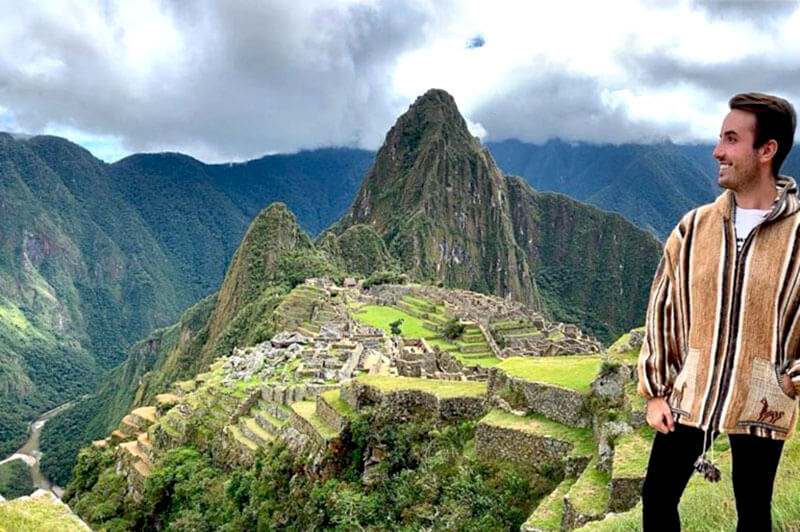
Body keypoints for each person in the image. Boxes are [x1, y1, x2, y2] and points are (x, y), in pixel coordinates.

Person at [637, 92, 799, 532]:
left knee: (753, 511)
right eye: (719, 138)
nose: (717, 151)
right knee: (657, 497)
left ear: (766, 151)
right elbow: (663, 310)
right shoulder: (694, 228)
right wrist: (655, 391)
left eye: (731, 139)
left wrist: (790, 378)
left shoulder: (798, 235)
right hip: (692, 389)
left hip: (763, 397)